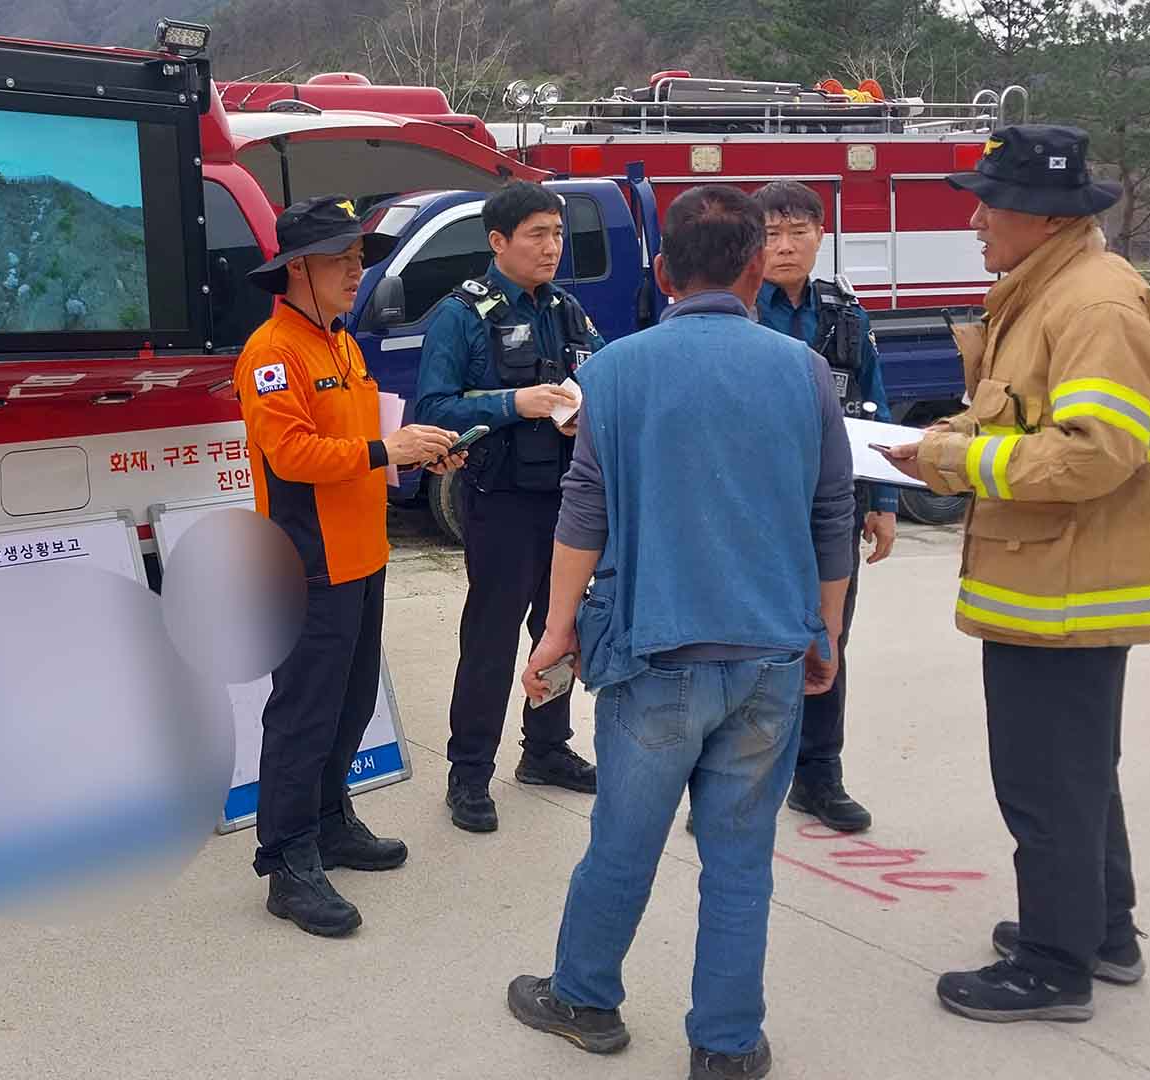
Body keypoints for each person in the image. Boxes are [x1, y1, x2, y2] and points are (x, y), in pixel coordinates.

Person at [505, 184, 854, 1080]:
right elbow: (831, 515)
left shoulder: (614, 370)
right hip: (772, 652)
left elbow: (583, 510)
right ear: (752, 270)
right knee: (740, 861)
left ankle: (585, 1000)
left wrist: (556, 631)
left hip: (654, 655)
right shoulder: (802, 369)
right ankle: (727, 1045)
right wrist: (829, 632)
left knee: (622, 842)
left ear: (661, 274)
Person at [881, 124, 1150, 1023]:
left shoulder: (1092, 305)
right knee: (1078, 771)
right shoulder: (1052, 290)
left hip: (1070, 586)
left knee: (1045, 779)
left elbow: (1093, 455)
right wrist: (953, 436)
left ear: (1039, 216)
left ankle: (1054, 965)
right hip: (1061, 578)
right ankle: (1101, 931)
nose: (976, 220)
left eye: (987, 204)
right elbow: (1026, 416)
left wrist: (954, 464)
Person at [234, 194, 464, 938]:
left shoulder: (342, 343)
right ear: (297, 268)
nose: (356, 272)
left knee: (350, 705)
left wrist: (420, 445)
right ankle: (287, 860)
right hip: (308, 560)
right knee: (302, 714)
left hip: (363, 554)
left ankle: (331, 822)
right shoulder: (271, 355)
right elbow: (292, 455)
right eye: (342, 260)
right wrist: (383, 452)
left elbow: (368, 436)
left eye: (359, 258)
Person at [415, 181, 605, 834]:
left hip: (569, 505)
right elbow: (432, 409)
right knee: (490, 642)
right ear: (498, 242)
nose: (552, 247)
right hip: (500, 505)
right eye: (537, 235)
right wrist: (511, 403)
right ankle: (468, 774)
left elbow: (600, 377)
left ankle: (546, 749)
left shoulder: (568, 311)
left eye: (557, 234)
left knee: (560, 631)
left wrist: (585, 414)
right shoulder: (461, 315)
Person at [751, 179, 895, 833]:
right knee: (746, 645)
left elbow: (875, 405)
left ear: (820, 235)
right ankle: (737, 784)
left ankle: (819, 776)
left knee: (828, 640)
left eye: (797, 232)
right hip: (749, 508)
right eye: (772, 233)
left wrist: (885, 499)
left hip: (833, 507)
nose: (784, 246)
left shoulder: (844, 311)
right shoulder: (732, 308)